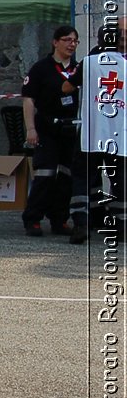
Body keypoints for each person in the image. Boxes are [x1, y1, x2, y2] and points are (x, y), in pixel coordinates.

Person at [20, 25, 81, 236]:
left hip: (70, 129)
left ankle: (59, 219)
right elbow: (28, 99)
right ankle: (33, 219)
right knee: (45, 174)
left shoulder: (79, 68)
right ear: (55, 42)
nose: (71, 44)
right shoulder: (41, 68)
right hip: (46, 128)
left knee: (67, 177)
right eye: (67, 40)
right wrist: (31, 129)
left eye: (75, 41)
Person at [69, 18, 126, 243]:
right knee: (120, 179)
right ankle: (121, 225)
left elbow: (67, 87)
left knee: (82, 176)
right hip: (118, 134)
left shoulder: (88, 62)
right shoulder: (125, 63)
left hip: (91, 132)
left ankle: (81, 222)